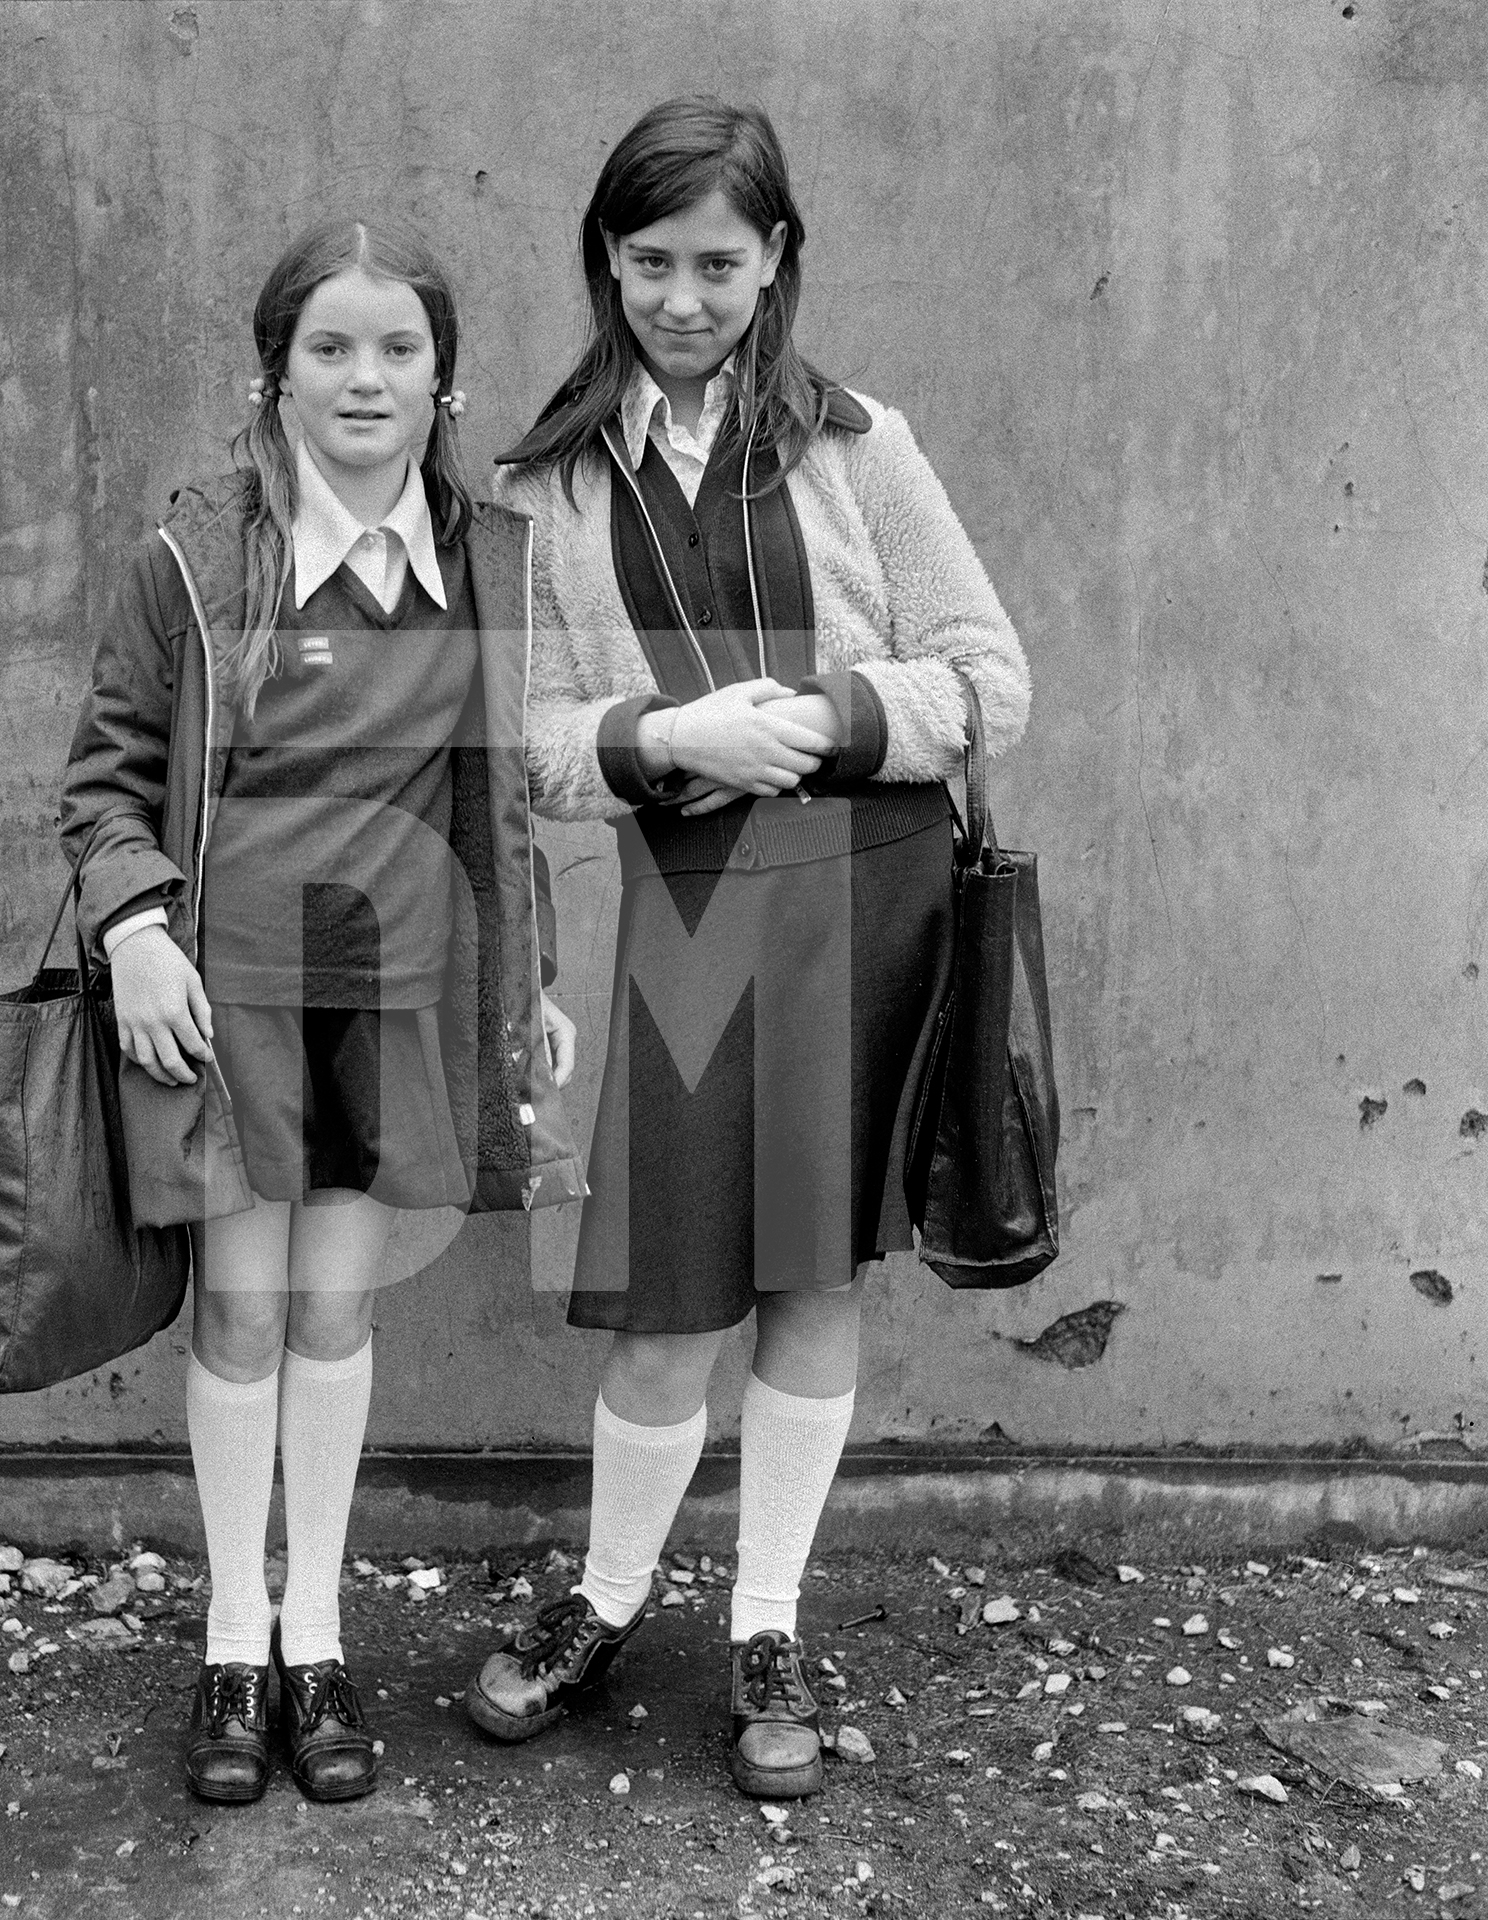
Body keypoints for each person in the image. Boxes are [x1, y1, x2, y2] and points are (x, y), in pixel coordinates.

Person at [465, 98, 1030, 1800]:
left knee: (810, 1277)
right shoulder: (551, 477)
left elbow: (989, 679)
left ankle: (768, 1622)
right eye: (650, 263)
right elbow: (539, 736)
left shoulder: (863, 444)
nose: (684, 296)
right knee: (664, 1300)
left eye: (719, 261)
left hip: (872, 888)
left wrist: (838, 718)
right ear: (606, 263)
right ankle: (604, 1597)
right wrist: (672, 743)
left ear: (776, 258)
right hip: (694, 912)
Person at [61, 217, 583, 1808]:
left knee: (338, 1318)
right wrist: (137, 930)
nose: (366, 377)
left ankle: (318, 1635)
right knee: (238, 1315)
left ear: (447, 374)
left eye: (399, 349)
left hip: (397, 995)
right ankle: (231, 1641)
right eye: (330, 348)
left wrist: (534, 976)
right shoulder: (194, 553)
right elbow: (100, 782)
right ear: (271, 373)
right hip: (228, 1005)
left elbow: (496, 799)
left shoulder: (496, 558)